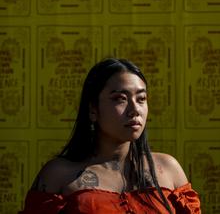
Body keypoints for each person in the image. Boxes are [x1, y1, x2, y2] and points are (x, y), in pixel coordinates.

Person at [19, 58, 201, 214]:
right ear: (93, 109)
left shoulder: (168, 169)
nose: (134, 110)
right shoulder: (59, 175)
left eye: (141, 99)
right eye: (120, 99)